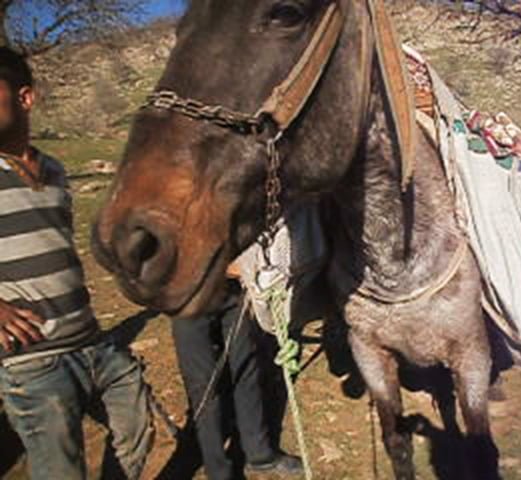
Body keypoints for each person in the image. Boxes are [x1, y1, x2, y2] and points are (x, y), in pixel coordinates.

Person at [0, 47, 154, 479]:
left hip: (91, 341)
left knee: (135, 422)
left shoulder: (55, 169)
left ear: (25, 98)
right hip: (33, 362)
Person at [171, 279, 303, 480]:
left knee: (248, 371)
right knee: (204, 388)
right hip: (186, 300)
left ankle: (259, 453)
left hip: (232, 293)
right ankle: (218, 471)